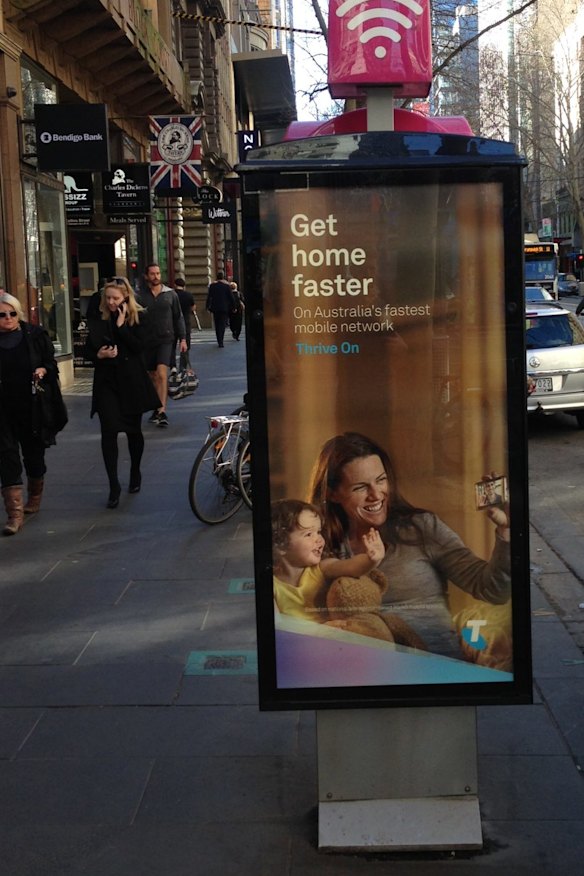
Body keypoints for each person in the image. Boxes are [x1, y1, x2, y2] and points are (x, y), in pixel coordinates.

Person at [307, 432, 511, 659]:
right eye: (360, 487)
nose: (376, 495)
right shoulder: (316, 546)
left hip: (435, 665)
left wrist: (506, 531)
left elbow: (493, 590)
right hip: (358, 666)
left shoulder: (421, 528)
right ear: (332, 494)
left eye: (381, 480)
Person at [86, 277, 161, 509]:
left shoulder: (140, 317)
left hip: (131, 382)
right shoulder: (98, 317)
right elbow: (88, 349)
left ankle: (135, 470)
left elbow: (140, 347)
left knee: (133, 431)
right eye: (107, 297)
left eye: (115, 298)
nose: (111, 302)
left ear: (126, 297)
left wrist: (121, 328)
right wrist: (99, 355)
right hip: (107, 383)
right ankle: (113, 485)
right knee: (108, 431)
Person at [0, 292, 60, 534]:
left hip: (31, 406)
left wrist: (43, 370)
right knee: (7, 456)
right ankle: (14, 515)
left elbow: (51, 365)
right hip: (2, 408)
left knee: (33, 455)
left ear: (19, 313)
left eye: (12, 313)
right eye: (2, 314)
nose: (8, 318)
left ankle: (34, 496)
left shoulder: (34, 336)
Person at [271, 498, 385, 622]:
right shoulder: (274, 585)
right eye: (308, 534)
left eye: (318, 532)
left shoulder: (322, 568)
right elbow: (277, 625)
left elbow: (352, 566)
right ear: (280, 545)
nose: (319, 539)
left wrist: (371, 559)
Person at [137, 263, 186, 427]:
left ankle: (162, 411)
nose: (156, 276)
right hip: (146, 341)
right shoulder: (140, 296)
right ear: (146, 276)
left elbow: (178, 317)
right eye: (152, 274)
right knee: (152, 376)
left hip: (166, 340)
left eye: (158, 273)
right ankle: (156, 406)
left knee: (161, 373)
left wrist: (183, 338)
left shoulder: (170, 294)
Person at [206, 271, 237, 348]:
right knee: (222, 324)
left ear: (216, 277)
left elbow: (209, 297)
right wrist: (234, 307)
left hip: (215, 308)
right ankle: (221, 341)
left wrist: (207, 307)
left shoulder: (212, 286)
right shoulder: (226, 286)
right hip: (224, 308)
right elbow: (231, 297)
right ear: (223, 277)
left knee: (217, 324)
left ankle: (219, 340)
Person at [171, 277, 196, 371]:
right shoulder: (188, 295)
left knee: (172, 345)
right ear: (184, 286)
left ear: (175, 285)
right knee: (185, 345)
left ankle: (173, 366)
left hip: (173, 323)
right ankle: (183, 367)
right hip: (185, 322)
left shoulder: (171, 295)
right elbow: (193, 307)